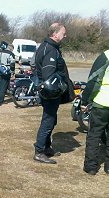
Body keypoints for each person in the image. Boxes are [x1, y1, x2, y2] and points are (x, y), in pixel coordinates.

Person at [33, 23, 75, 164]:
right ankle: (39, 151)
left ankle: (46, 147)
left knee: (51, 119)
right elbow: (48, 75)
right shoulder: (50, 49)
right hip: (50, 93)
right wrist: (61, 86)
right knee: (48, 120)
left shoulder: (47, 47)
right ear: (55, 34)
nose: (65, 35)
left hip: (49, 92)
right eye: (63, 33)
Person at [82, 31, 109, 175]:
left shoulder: (108, 55)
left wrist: (85, 100)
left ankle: (91, 166)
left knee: (94, 134)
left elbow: (94, 80)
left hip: (102, 102)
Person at [0, 41, 15, 105]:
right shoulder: (11, 54)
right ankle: (0, 100)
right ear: (11, 49)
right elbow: (12, 63)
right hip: (7, 71)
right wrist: (12, 72)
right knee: (4, 86)